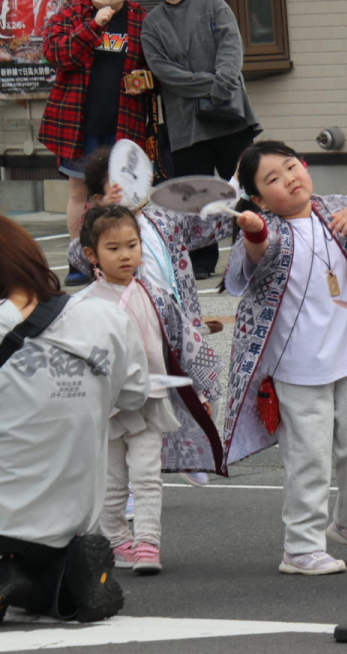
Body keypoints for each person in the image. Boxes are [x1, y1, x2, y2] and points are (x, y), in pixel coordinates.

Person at [223, 142, 347, 575]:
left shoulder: (338, 210)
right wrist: (253, 231)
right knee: (308, 457)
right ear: (257, 198)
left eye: (292, 167)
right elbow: (256, 256)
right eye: (272, 179)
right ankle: (301, 546)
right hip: (296, 366)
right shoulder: (266, 226)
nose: (289, 178)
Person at [0, 215, 147, 623]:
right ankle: (53, 580)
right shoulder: (108, 319)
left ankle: (17, 574)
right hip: (71, 517)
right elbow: (135, 396)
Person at [74, 206, 224, 575]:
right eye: (113, 248)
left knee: (146, 476)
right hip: (107, 407)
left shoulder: (156, 295)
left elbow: (184, 342)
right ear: (91, 255)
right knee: (111, 483)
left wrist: (203, 388)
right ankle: (116, 539)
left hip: (150, 401)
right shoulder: (82, 305)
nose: (126, 255)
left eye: (132, 245)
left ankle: (147, 544)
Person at [70, 147, 232, 486]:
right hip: (132, 326)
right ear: (98, 197)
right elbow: (78, 255)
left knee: (197, 386)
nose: (130, 188)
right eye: (116, 185)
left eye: (135, 178)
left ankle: (190, 453)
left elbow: (208, 223)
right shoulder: (100, 229)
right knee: (133, 404)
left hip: (177, 319)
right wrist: (103, 212)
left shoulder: (163, 215)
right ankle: (126, 479)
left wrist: (235, 195)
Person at [140, 0, 260, 280]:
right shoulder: (152, 23)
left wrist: (222, 85)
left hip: (229, 112)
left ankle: (248, 251)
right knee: (195, 193)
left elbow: (231, 46)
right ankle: (202, 260)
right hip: (186, 123)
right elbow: (164, 71)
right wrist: (211, 84)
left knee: (243, 186)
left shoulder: (211, 2)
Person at [38, 0, 151, 286]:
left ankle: (131, 260)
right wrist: (95, 23)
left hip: (126, 119)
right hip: (77, 122)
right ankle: (80, 260)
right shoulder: (71, 14)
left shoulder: (139, 18)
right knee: (80, 192)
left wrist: (146, 78)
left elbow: (156, 59)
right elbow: (58, 55)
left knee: (128, 193)